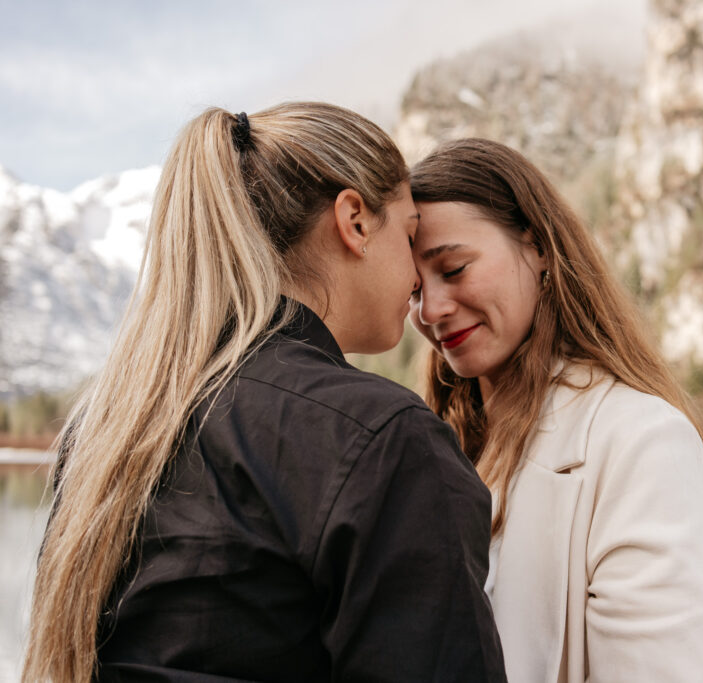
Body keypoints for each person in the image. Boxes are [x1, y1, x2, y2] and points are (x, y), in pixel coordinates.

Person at [24, 105, 505, 683]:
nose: (418, 287)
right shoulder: (382, 439)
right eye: (407, 237)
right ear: (354, 221)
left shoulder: (108, 428)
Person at [408, 138, 703, 682]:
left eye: (453, 269)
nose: (431, 310)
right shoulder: (445, 448)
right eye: (414, 289)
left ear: (538, 246)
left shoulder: (643, 442)